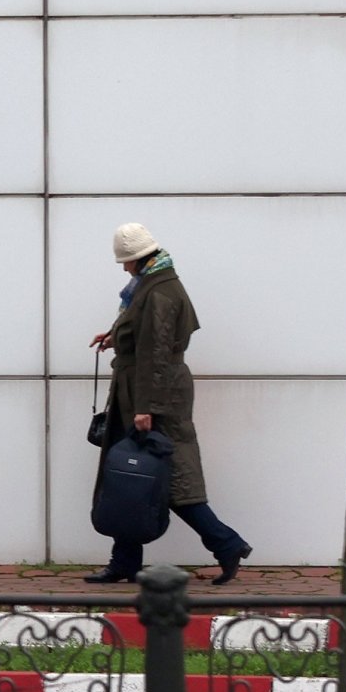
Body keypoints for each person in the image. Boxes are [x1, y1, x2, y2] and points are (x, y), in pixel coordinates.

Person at [85, 223, 253, 585]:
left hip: (152, 395)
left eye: (125, 261)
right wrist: (117, 337)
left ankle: (226, 543)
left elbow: (157, 352)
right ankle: (125, 562)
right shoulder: (152, 285)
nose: (123, 267)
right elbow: (145, 336)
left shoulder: (158, 292)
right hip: (144, 391)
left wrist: (147, 406)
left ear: (138, 258)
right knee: (132, 477)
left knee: (166, 478)